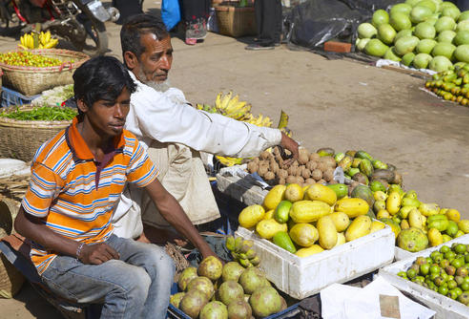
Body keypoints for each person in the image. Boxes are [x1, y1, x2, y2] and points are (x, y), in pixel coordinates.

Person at [14, 56, 217, 318]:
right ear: (83, 103)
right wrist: (81, 250)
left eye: (125, 104)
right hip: (57, 259)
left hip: (102, 239)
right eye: (108, 105)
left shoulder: (127, 146)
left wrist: (205, 249)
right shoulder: (56, 158)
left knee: (162, 262)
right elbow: (24, 223)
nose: (120, 114)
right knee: (132, 281)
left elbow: (163, 200)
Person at [112, 14, 300, 242]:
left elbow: (175, 105)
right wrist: (274, 136)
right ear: (131, 59)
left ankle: (165, 227)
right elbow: (206, 129)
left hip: (129, 182)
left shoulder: (125, 81)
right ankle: (157, 230)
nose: (167, 64)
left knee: (183, 127)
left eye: (169, 53)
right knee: (183, 147)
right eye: (157, 57)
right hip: (118, 211)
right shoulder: (141, 100)